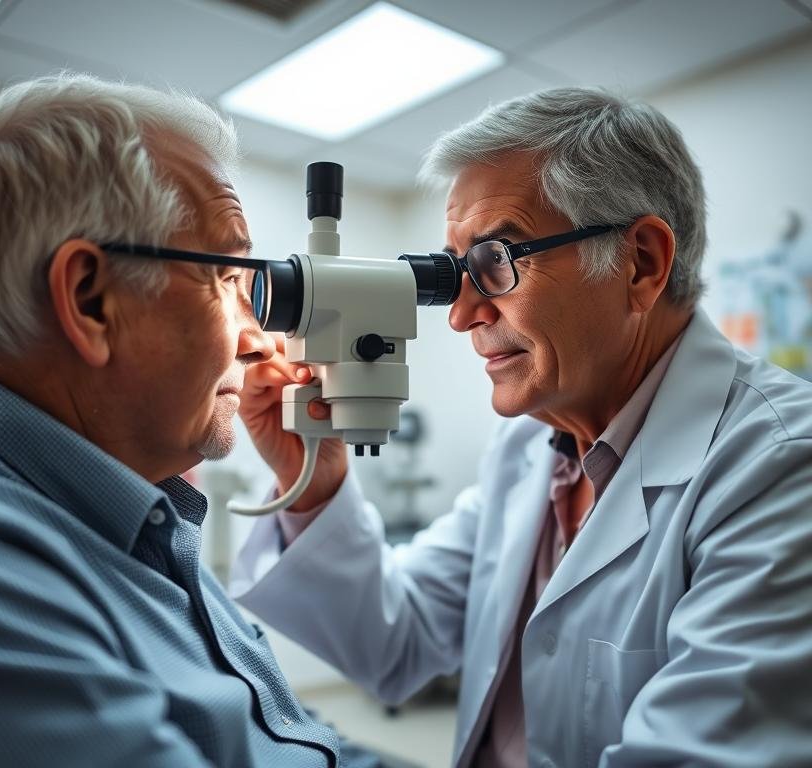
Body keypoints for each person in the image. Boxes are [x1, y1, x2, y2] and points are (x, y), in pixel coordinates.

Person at [231, 87, 812, 767]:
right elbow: (396, 641)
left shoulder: (780, 470)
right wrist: (316, 483)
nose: (461, 315)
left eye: (497, 261)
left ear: (642, 263)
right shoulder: (531, 445)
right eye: (455, 273)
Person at [0, 73, 366, 767]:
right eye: (224, 278)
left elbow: (294, 740)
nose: (256, 339)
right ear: (91, 299)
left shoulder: (133, 516)